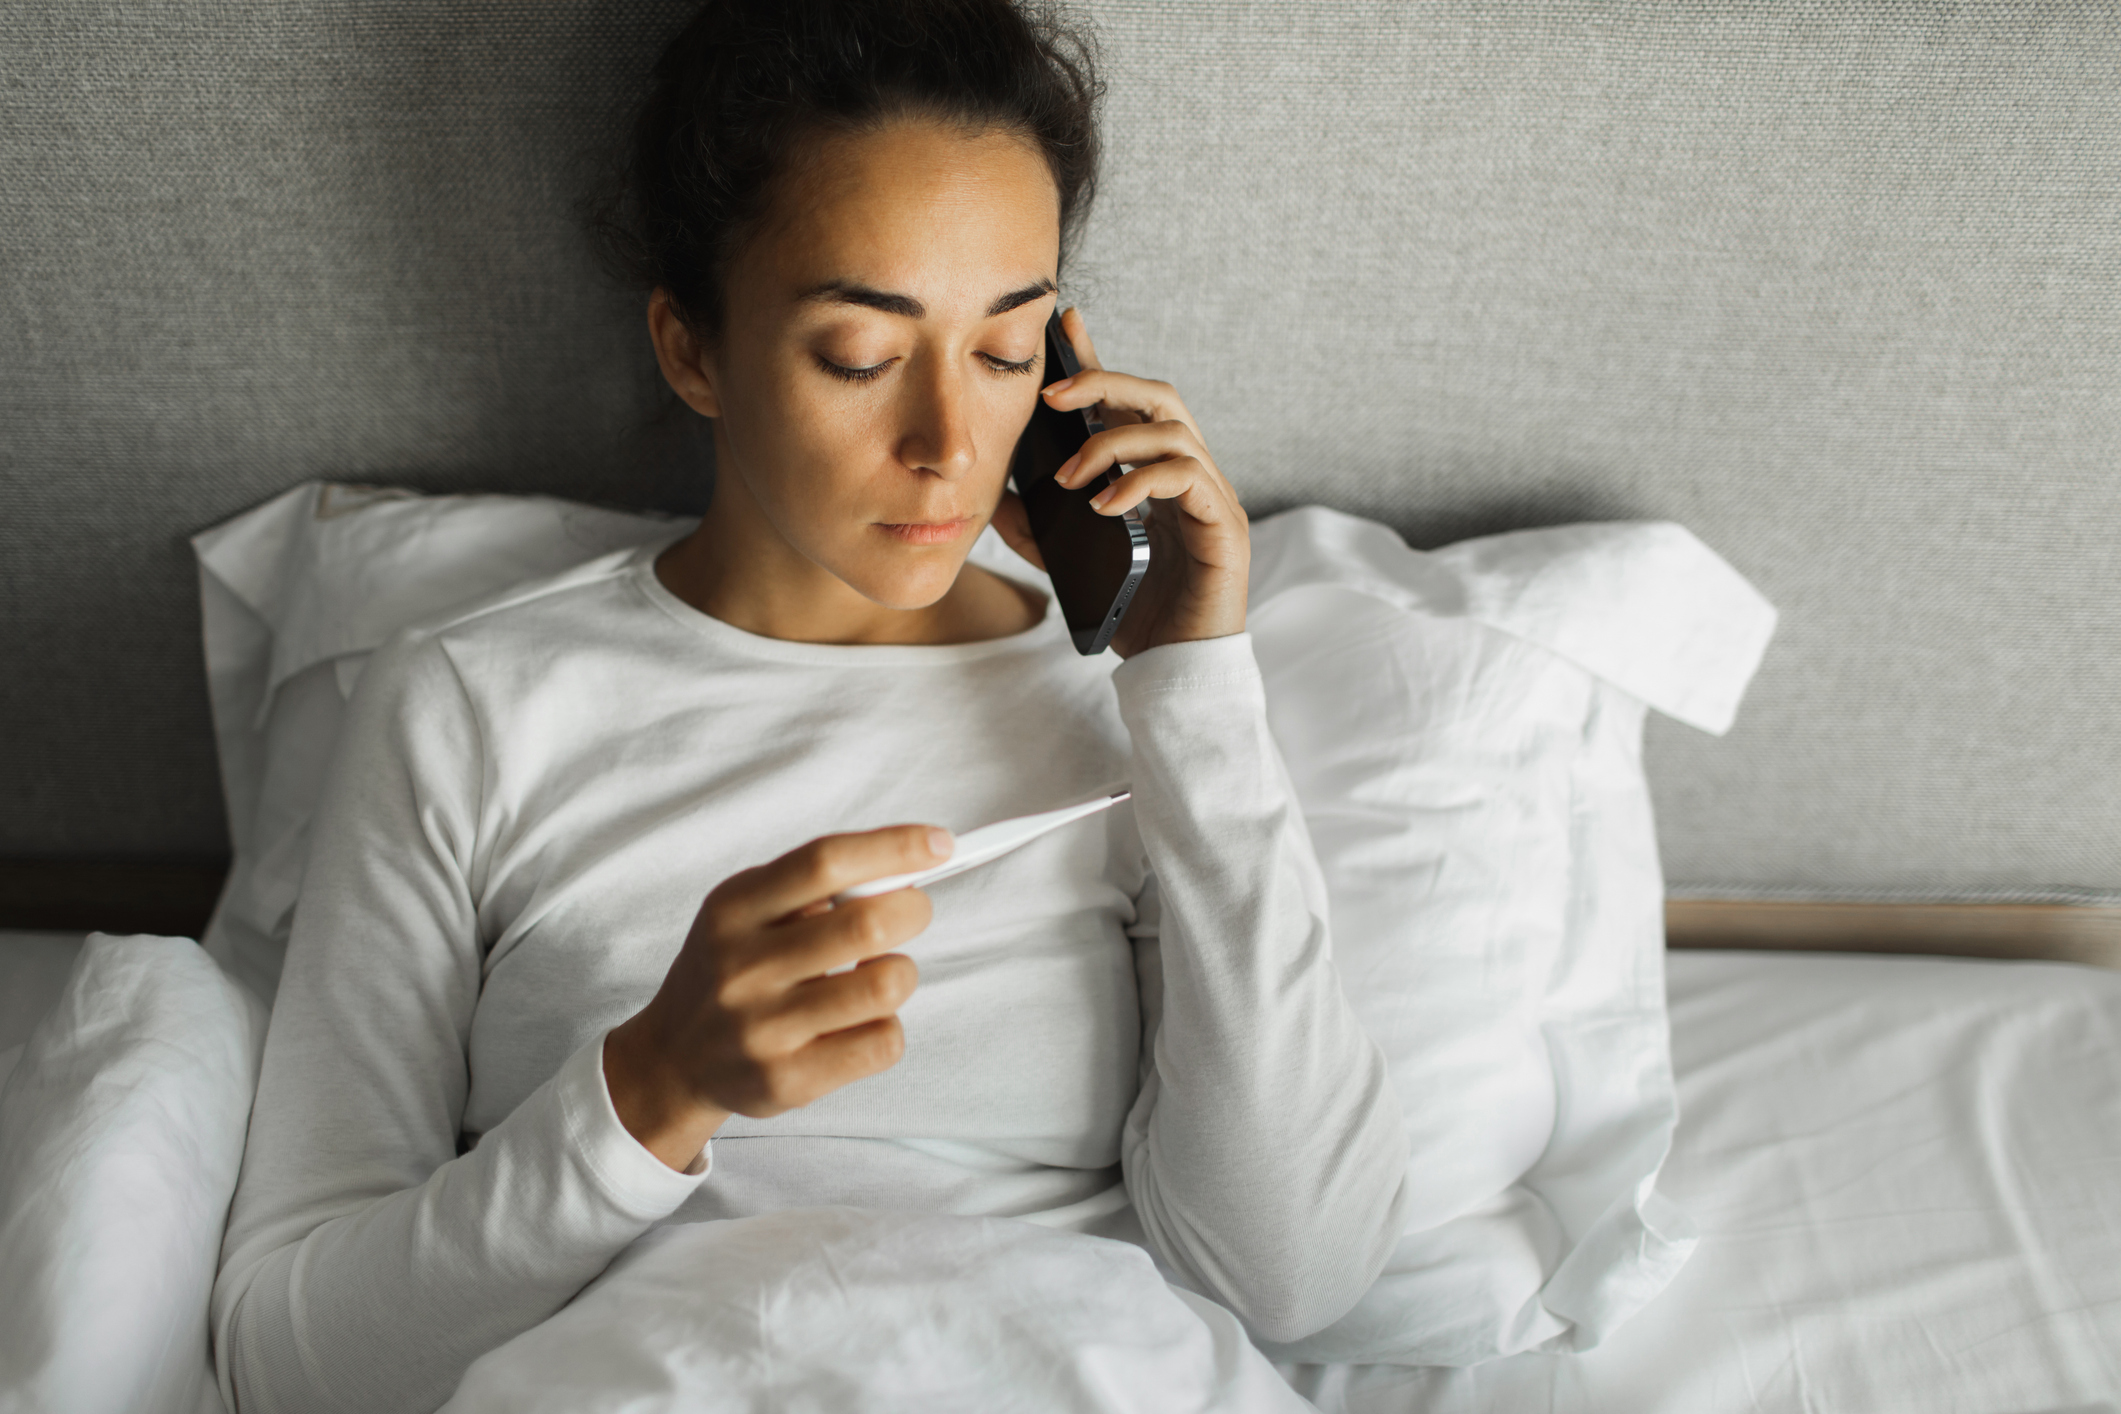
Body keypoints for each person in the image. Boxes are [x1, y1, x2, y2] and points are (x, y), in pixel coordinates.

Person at [210, 1, 1413, 1408]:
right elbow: (291, 1362)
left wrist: (1193, 688)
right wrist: (646, 1092)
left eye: (1008, 350)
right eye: (858, 354)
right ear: (693, 349)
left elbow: (1297, 1274)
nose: (948, 447)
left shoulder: (1128, 706)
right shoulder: (470, 710)